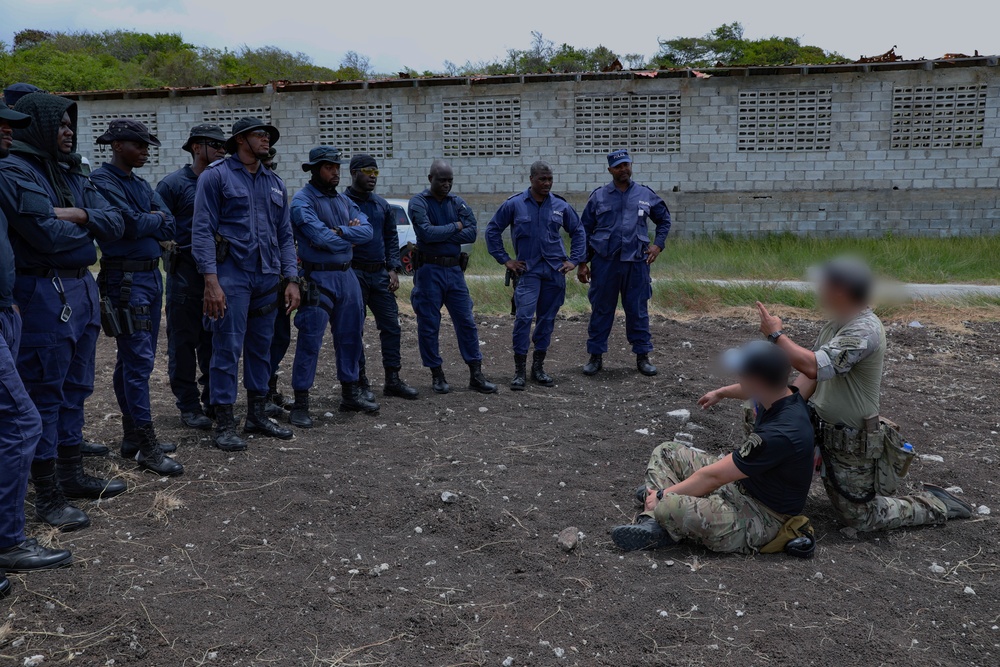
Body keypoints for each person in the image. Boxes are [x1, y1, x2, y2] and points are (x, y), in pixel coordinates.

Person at [701, 258, 973, 530]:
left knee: (860, 517)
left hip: (849, 438)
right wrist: (781, 405)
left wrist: (776, 337)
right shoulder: (835, 325)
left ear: (841, 289)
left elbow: (815, 366)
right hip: (819, 424)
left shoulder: (865, 329)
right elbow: (807, 378)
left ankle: (936, 504)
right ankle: (760, 480)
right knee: (757, 406)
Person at [0, 93, 126, 529]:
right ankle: (48, 493)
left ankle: (72, 475)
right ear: (37, 127)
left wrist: (74, 214)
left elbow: (117, 222)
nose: (68, 131)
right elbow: (47, 237)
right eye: (60, 124)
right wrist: (87, 226)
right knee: (45, 392)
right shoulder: (14, 168)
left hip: (80, 288)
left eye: (72, 124)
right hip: (42, 292)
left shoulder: (70, 171)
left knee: (77, 387)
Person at [612, 341, 815, 554]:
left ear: (756, 381)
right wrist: (721, 392)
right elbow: (748, 390)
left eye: (742, 372)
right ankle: (654, 520)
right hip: (742, 484)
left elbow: (714, 477)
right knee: (667, 451)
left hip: (761, 515)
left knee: (668, 505)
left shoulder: (780, 433)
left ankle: (656, 509)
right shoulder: (783, 394)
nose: (738, 376)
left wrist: (663, 495)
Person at [191, 117, 301, 451]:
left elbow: (285, 235)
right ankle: (224, 422)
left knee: (261, 349)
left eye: (268, 135)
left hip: (267, 278)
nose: (267, 139)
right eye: (260, 135)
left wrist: (292, 278)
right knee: (226, 348)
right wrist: (211, 280)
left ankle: (256, 414)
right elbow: (202, 231)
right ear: (241, 140)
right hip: (231, 277)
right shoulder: (216, 177)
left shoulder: (275, 183)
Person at [0, 105, 73, 573]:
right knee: (24, 422)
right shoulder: (12, 172)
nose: (7, 131)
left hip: (8, 307)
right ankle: (8, 542)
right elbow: (47, 233)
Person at [89, 119, 183, 476]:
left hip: (150, 275)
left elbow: (170, 223)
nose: (145, 150)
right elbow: (122, 224)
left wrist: (148, 218)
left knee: (132, 362)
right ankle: (146, 445)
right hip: (125, 278)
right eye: (138, 144)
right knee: (138, 362)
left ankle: (132, 437)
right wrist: (150, 219)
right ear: (116, 145)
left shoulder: (140, 183)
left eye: (147, 144)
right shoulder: (100, 181)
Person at [288, 146, 379, 425]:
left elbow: (368, 231)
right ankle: (301, 403)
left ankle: (349, 394)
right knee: (310, 340)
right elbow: (318, 237)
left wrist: (339, 231)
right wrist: (346, 236)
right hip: (318, 277)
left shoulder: (343, 200)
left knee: (351, 336)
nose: (335, 172)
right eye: (329, 167)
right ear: (315, 169)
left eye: (337, 166)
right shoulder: (302, 201)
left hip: (347, 275)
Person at [486, 161, 587, 390]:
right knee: (523, 318)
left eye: (550, 179)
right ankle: (519, 371)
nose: (547, 183)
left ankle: (538, 368)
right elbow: (492, 230)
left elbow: (578, 231)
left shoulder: (560, 206)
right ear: (531, 179)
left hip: (554, 272)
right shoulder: (515, 204)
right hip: (528, 271)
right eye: (542, 179)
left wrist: (574, 260)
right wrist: (505, 259)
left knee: (546, 320)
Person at [577, 149, 670, 378]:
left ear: (631, 165)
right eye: (618, 166)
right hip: (605, 264)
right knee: (601, 310)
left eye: (626, 165)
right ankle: (595, 357)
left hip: (636, 263)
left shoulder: (645, 194)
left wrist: (658, 245)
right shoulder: (598, 197)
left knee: (638, 310)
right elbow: (584, 231)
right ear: (610, 170)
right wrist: (582, 262)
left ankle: (642, 356)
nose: (623, 169)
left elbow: (664, 220)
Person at [157, 123, 227, 430]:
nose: (221, 150)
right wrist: (168, 251)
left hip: (219, 272)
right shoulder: (173, 184)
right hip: (185, 272)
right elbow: (157, 227)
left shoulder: (225, 181)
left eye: (223, 145)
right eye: (215, 144)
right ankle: (188, 404)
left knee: (215, 340)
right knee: (184, 343)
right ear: (196, 147)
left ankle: (214, 398)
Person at [409, 160, 496, 394]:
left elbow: (472, 232)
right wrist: (455, 226)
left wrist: (445, 232)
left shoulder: (457, 202)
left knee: (466, 322)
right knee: (429, 324)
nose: (446, 184)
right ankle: (436, 374)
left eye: (450, 180)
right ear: (430, 179)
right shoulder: (419, 202)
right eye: (442, 180)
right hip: (429, 272)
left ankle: (476, 374)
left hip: (455, 272)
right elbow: (425, 234)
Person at [345, 154, 418, 400]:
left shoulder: (381, 205)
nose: (372, 176)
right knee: (355, 329)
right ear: (353, 172)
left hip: (379, 274)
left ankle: (393, 380)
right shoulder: (341, 203)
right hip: (352, 272)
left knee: (391, 326)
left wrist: (393, 268)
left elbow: (390, 238)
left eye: (375, 172)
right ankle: (360, 382)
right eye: (367, 171)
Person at [261, 148, 294, 417]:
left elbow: (285, 236)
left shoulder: (277, 189)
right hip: (247, 278)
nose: (270, 169)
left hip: (277, 277)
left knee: (280, 336)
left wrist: (291, 277)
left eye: (273, 164)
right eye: (266, 165)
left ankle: (268, 389)